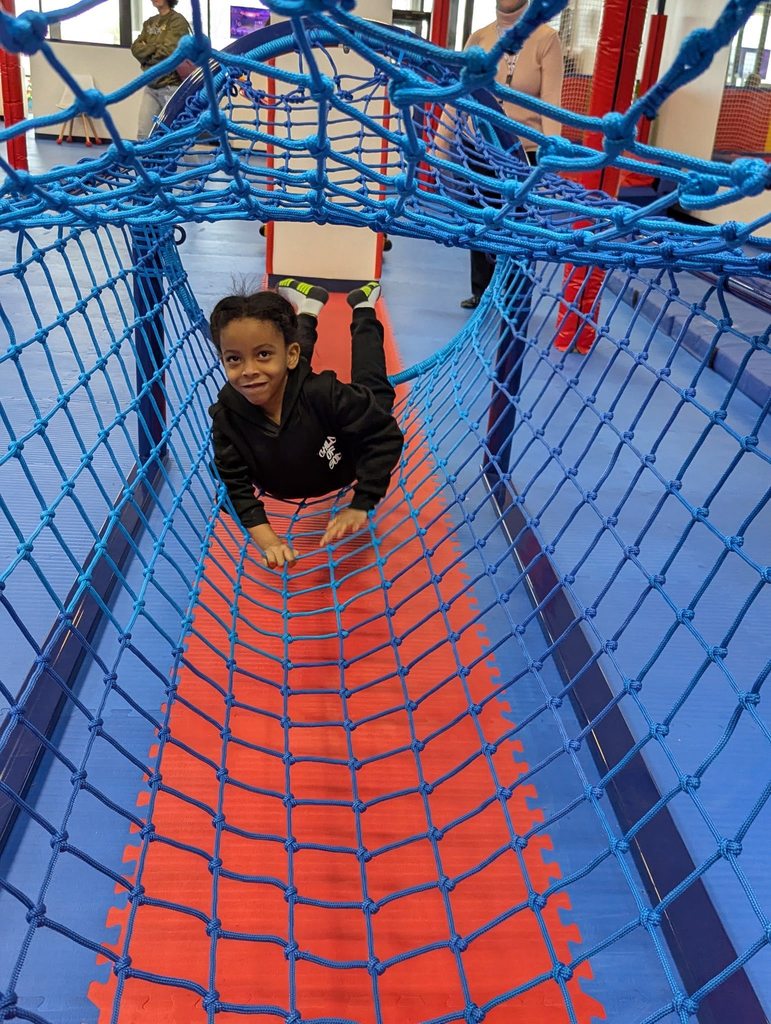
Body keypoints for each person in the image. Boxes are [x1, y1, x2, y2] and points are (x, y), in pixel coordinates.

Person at [208, 279, 404, 569]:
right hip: (288, 396)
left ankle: (363, 307)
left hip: (346, 459)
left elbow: (385, 437)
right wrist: (270, 542)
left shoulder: (325, 393)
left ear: (290, 355)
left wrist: (363, 501)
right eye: (234, 359)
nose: (248, 371)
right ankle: (309, 307)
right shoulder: (227, 417)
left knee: (374, 391)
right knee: (280, 372)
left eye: (261, 354)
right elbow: (233, 487)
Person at [459, 0, 563, 309]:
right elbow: (458, 95)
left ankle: (509, 294)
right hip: (479, 146)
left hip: (522, 152)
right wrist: (439, 147)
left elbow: (551, 103)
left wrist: (551, 156)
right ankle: (481, 290)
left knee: (515, 227)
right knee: (480, 219)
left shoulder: (545, 38)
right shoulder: (480, 38)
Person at [131, 0, 191, 141]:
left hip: (171, 85)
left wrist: (146, 51)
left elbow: (169, 51)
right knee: (143, 134)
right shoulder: (149, 23)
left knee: (179, 135)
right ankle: (147, 163)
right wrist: (154, 48)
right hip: (151, 85)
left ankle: (194, 164)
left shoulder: (178, 21)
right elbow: (135, 49)